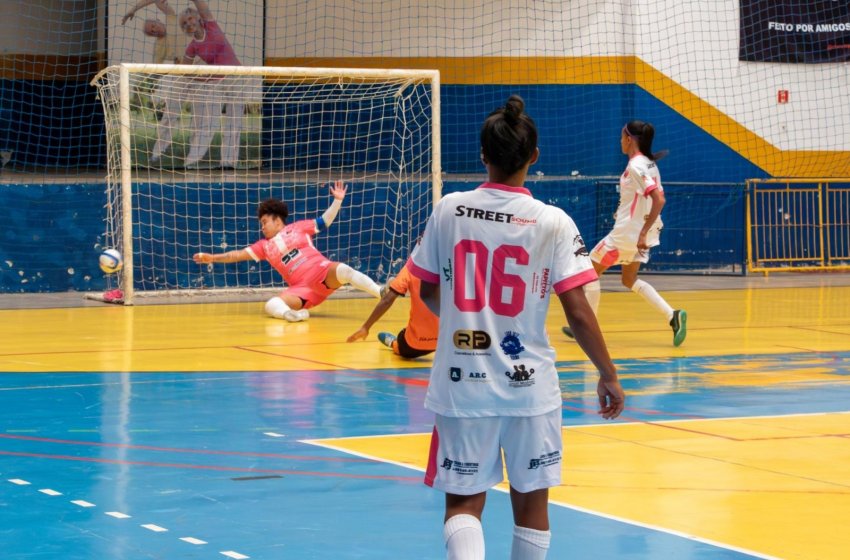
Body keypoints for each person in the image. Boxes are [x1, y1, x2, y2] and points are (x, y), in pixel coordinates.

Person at [408, 95, 625, 559]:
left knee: (464, 503)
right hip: (531, 389)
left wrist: (464, 318)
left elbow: (424, 289)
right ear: (534, 157)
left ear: (482, 155)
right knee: (531, 505)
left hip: (461, 383)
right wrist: (607, 372)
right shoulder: (554, 221)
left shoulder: (449, 209)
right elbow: (579, 310)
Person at [561, 120, 687, 347]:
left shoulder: (636, 166)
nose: (620, 141)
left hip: (627, 235)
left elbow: (659, 199)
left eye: (622, 137)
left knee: (588, 271)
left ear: (630, 139)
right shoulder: (649, 164)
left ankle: (587, 329)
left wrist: (641, 233)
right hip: (636, 233)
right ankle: (673, 315)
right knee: (629, 279)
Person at [193, 180, 383, 321]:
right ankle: (291, 315)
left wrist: (337, 201)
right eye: (261, 224)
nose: (262, 227)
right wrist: (212, 257)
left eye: (264, 222)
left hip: (322, 272)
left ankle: (381, 292)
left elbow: (325, 221)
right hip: (302, 290)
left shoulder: (299, 227)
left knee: (344, 270)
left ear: (277, 220)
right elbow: (236, 255)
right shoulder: (263, 247)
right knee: (271, 305)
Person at [178, 0, 243, 169]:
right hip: (215, 82)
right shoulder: (192, 47)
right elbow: (184, 72)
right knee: (209, 122)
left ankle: (228, 162)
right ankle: (191, 162)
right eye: (185, 23)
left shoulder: (211, 25)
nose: (189, 23)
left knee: (234, 121)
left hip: (236, 77)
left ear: (198, 18)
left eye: (191, 18)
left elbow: (199, 3)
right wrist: (203, 78)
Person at [122, 0, 185, 166]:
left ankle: (196, 158)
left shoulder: (172, 18)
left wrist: (133, 10)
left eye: (153, 26)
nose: (154, 31)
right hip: (183, 76)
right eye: (150, 32)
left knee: (205, 118)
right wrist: (147, 83)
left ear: (158, 21)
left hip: (201, 69)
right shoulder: (159, 47)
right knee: (169, 117)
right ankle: (157, 154)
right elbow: (157, 70)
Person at [346, 258, 438, 358]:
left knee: (400, 347)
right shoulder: (450, 267)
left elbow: (387, 300)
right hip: (446, 341)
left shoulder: (411, 267)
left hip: (414, 344)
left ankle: (394, 343)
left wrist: (365, 327)